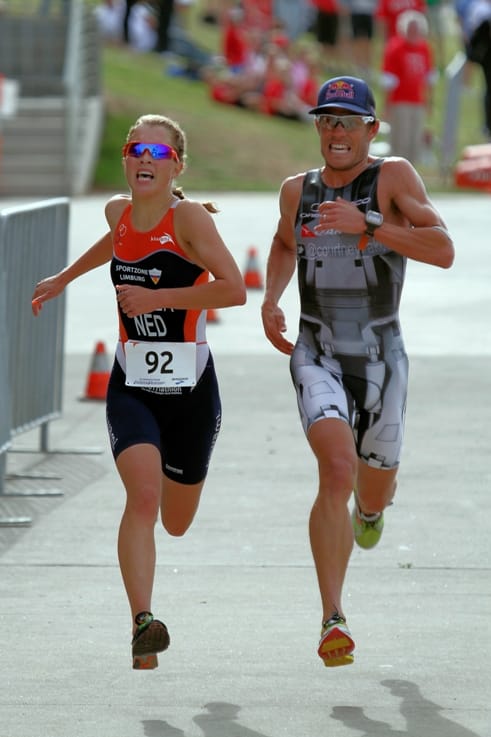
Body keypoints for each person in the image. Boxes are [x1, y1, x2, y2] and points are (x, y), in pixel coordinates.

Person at [31, 114, 247, 670]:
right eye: (135, 149)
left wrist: (161, 300)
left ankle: (146, 613)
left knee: (176, 521)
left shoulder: (190, 220)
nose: (144, 158)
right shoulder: (117, 212)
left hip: (191, 389)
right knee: (143, 499)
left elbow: (234, 289)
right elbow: (116, 240)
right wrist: (64, 277)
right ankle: (142, 623)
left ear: (177, 165)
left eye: (158, 151)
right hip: (133, 384)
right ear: (126, 160)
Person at [261, 75, 454, 668]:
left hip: (381, 358)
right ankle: (332, 617)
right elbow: (282, 244)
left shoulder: (392, 177)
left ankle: (370, 513)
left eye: (348, 121)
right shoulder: (297, 190)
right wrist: (271, 300)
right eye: (326, 119)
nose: (336, 131)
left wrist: (367, 224)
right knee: (336, 469)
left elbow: (442, 248)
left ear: (371, 128)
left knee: (373, 485)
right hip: (316, 351)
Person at [381, 10, 438, 164]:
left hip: (417, 101)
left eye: (416, 29)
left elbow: (429, 78)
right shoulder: (395, 47)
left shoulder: (425, 48)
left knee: (415, 141)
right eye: (410, 29)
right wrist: (387, 105)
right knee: (400, 140)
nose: (413, 32)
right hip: (400, 101)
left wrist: (429, 101)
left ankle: (411, 176)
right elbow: (389, 80)